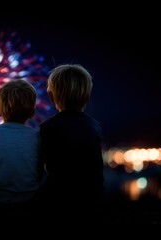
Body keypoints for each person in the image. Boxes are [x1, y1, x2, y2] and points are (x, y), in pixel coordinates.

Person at [37, 64, 104, 205]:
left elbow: (39, 169)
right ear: (87, 95)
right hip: (90, 196)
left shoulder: (47, 127)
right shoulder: (95, 127)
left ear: (51, 96)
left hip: (57, 196)